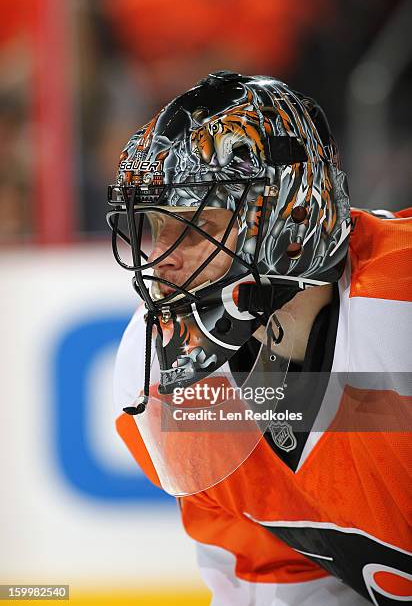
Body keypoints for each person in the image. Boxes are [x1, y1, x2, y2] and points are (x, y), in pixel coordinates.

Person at [107, 71, 412, 605]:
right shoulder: (154, 374)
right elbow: (277, 587)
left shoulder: (399, 307)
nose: (164, 257)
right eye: (155, 226)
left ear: (286, 216)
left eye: (195, 221)